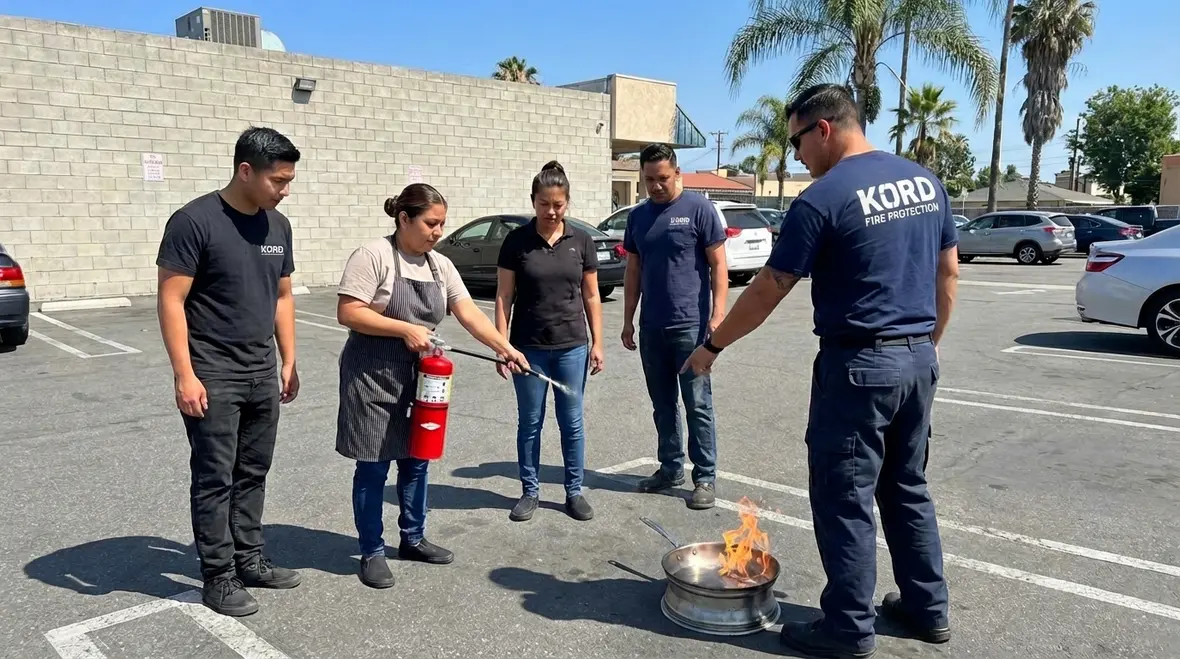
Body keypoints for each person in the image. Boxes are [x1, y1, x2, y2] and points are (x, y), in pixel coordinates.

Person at [682, 84, 959, 658]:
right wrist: (923, 348)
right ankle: (927, 608)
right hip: (916, 359)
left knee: (844, 496)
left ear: (824, 128)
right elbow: (948, 275)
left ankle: (848, 629)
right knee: (907, 486)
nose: (796, 156)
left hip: (858, 365)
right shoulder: (925, 182)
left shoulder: (824, 198)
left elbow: (769, 288)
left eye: (797, 142)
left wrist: (713, 345)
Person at [335, 183, 530, 590]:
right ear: (404, 218)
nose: (438, 231)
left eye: (442, 223)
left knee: (417, 458)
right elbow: (349, 312)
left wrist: (504, 348)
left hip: (423, 378)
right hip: (372, 376)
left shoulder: (440, 266)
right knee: (373, 466)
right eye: (431, 223)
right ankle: (371, 549)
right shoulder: (373, 256)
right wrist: (405, 328)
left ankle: (413, 537)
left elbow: (468, 314)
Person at [156, 126, 304, 617]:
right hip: (213, 372)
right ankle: (217, 576)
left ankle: (249, 559)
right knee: (214, 476)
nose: (285, 190)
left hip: (262, 368)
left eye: (288, 181)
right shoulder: (194, 221)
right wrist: (184, 374)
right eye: (278, 181)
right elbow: (171, 301)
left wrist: (289, 360)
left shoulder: (277, 226)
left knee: (253, 471)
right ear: (246, 171)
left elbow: (283, 297)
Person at [494, 161, 605, 523]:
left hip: (572, 346)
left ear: (567, 202)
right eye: (544, 204)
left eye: (558, 204)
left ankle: (574, 491)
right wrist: (501, 345)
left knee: (572, 422)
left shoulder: (582, 241)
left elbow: (591, 296)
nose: (551, 211)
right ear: (534, 201)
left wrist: (598, 343)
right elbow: (503, 297)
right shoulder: (516, 242)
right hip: (528, 348)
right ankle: (530, 490)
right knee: (530, 421)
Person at [621, 143, 728, 510]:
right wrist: (627, 320)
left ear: (677, 173)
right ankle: (669, 469)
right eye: (649, 179)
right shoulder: (638, 218)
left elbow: (719, 265)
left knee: (697, 403)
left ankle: (705, 477)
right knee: (663, 404)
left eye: (662, 178)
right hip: (652, 328)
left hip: (691, 328)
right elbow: (632, 270)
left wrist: (717, 316)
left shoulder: (699, 209)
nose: (656, 186)